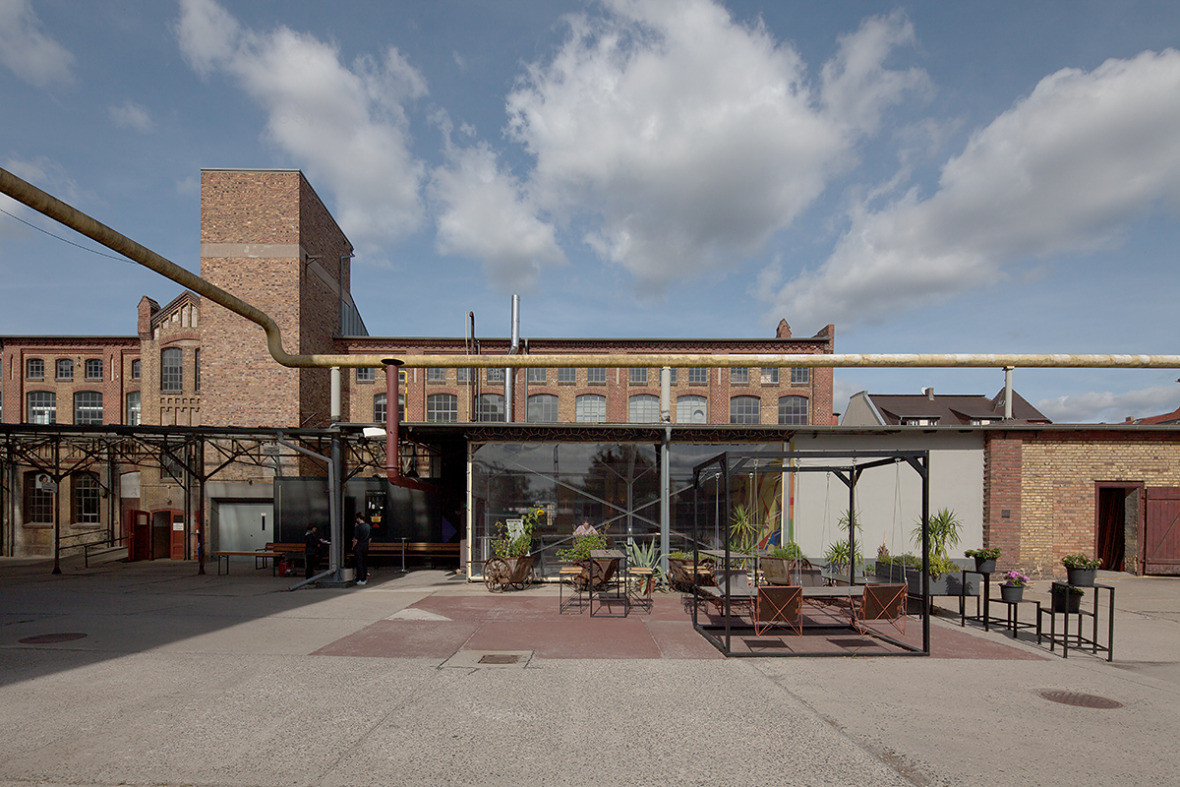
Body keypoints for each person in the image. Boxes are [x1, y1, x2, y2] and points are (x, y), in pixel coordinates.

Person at [352, 513, 371, 586]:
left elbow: (356, 539)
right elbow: (370, 538)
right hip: (365, 546)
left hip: (359, 546)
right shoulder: (368, 526)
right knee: (364, 562)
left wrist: (353, 546)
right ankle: (364, 578)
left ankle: (360, 578)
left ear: (358, 518)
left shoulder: (358, 527)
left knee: (359, 562)